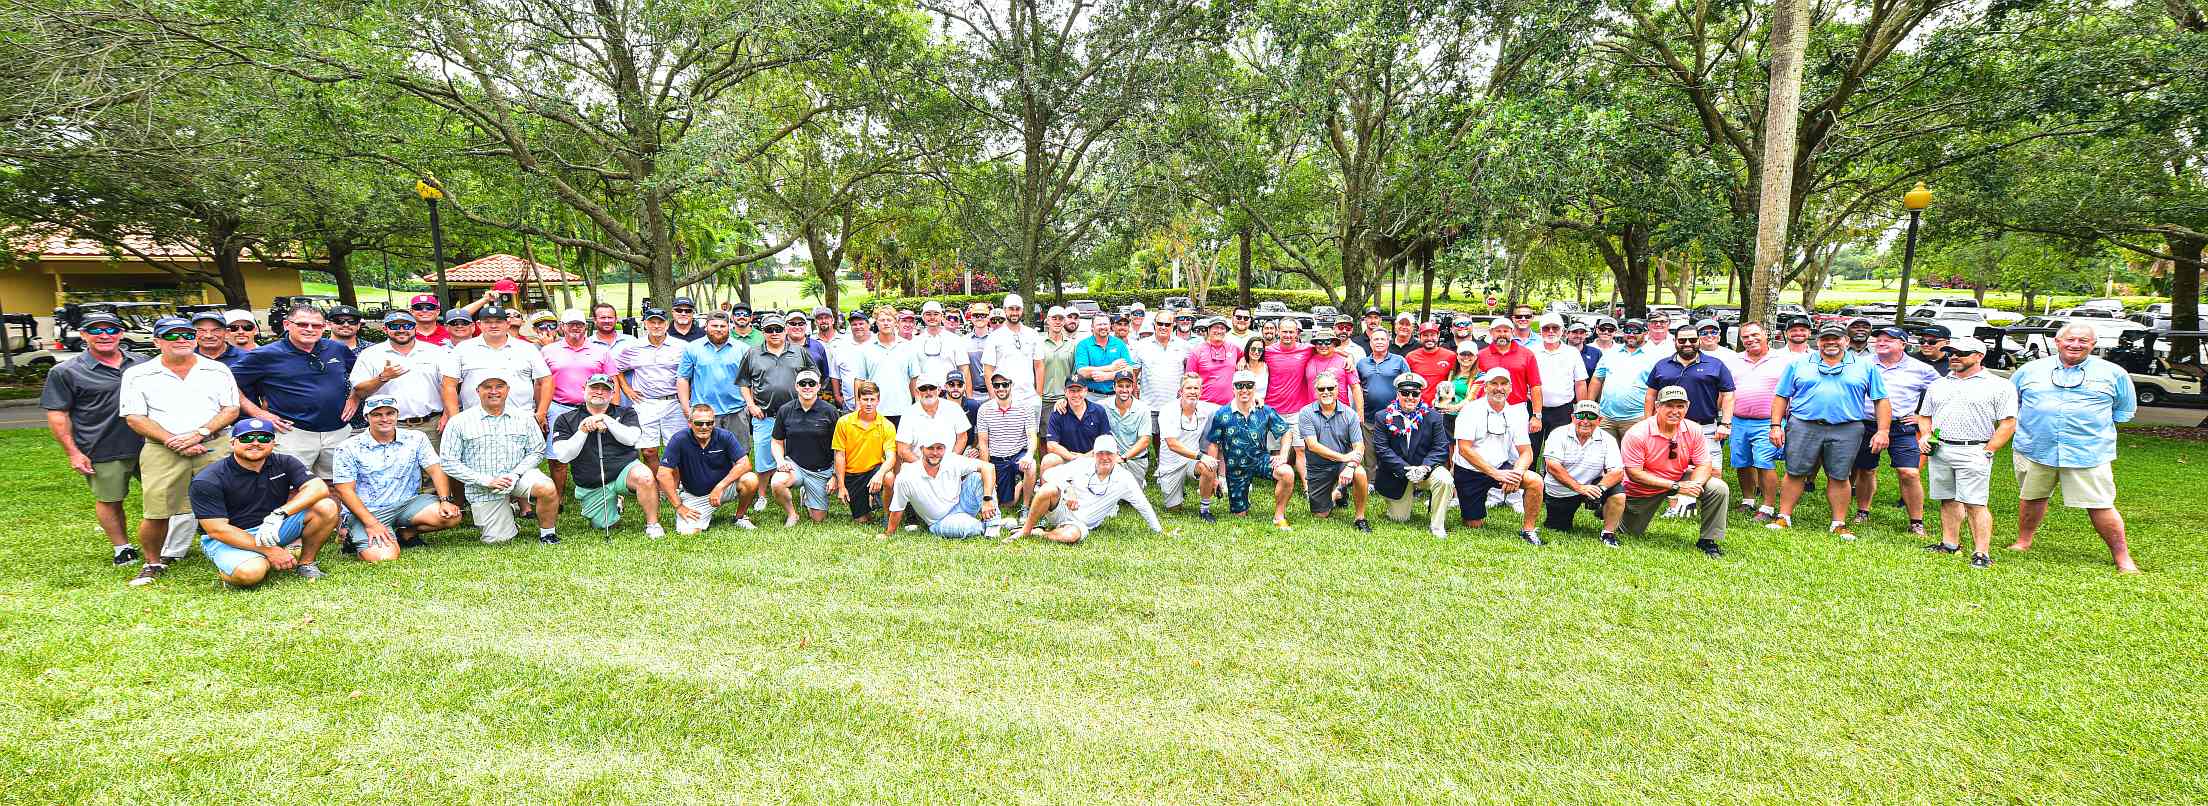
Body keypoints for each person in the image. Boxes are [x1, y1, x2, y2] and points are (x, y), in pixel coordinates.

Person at [2008, 322, 2139, 572]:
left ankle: (2123, 558)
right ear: (2058, 342)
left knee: (2100, 504)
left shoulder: (2114, 373)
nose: (2075, 345)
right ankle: (2023, 542)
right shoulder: (2030, 370)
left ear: (2093, 344)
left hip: (2088, 453)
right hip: (2035, 448)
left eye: (2083, 341)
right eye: (2070, 339)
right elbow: (2012, 402)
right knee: (2031, 497)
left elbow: (2122, 412)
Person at [119, 316, 240, 586]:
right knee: (157, 509)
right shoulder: (138, 374)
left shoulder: (217, 370)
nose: (181, 340)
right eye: (172, 335)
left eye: (187, 334)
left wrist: (200, 433)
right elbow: (134, 417)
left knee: (231, 502)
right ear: (157, 341)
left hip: (212, 444)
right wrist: (173, 440)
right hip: (163, 449)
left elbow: (231, 409)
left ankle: (238, 552)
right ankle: (153, 562)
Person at [42, 311, 149, 565]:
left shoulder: (142, 362)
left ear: (121, 334)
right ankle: (122, 548)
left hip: (149, 443)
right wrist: (73, 452)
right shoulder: (65, 371)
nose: (104, 335)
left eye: (111, 330)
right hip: (102, 447)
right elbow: (58, 414)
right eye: (96, 330)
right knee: (110, 499)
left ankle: (167, 544)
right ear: (83, 335)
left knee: (164, 496)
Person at [1767, 323, 1890, 538]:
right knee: (1794, 472)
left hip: (1847, 428)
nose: (1831, 342)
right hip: (1804, 424)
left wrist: (1883, 431)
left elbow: (1881, 400)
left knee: (1840, 476)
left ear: (1847, 341)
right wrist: (1776, 426)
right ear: (1818, 341)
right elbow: (1781, 396)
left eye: (1837, 338)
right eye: (1825, 338)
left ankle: (1838, 523)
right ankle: (1783, 516)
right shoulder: (1799, 364)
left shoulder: (1865, 367)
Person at [188, 417, 344, 587]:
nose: (255, 443)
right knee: (251, 573)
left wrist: (279, 514)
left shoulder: (284, 462)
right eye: (246, 438)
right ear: (232, 443)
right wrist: (270, 551)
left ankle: (306, 563)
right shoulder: (208, 479)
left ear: (273, 443)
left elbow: (319, 488)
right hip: (229, 536)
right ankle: (232, 568)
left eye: (263, 438)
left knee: (326, 506)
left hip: (272, 526)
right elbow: (217, 530)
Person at [1913, 336, 2016, 568]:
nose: (1955, 356)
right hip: (1941, 449)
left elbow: (2008, 423)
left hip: (1975, 450)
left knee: (1975, 503)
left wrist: (1988, 451)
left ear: (1979, 356)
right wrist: (1927, 436)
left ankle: (1982, 553)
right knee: (1947, 499)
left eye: (1962, 352)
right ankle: (1950, 544)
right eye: (1951, 352)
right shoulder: (1939, 384)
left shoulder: (1998, 385)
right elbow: (1925, 415)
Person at [231, 305, 357, 478]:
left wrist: (355, 398)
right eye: (302, 324)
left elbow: (360, 377)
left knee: (338, 485)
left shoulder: (337, 349)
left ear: (324, 326)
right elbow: (226, 383)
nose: (310, 329)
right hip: (292, 433)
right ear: (286, 324)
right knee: (292, 487)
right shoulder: (265, 355)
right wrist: (259, 413)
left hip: (338, 432)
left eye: (316, 325)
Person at [332, 395, 465, 560]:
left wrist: (445, 500)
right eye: (377, 415)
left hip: (406, 505)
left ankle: (404, 533)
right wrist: (372, 524)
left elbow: (435, 469)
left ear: (397, 415)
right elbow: (344, 492)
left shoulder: (416, 438)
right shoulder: (347, 448)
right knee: (384, 558)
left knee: (452, 515)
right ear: (366, 417)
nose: (385, 419)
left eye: (390, 413)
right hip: (368, 512)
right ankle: (353, 536)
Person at [441, 374, 563, 544]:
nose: (494, 391)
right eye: (487, 387)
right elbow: (448, 462)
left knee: (546, 487)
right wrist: (486, 480)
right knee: (498, 540)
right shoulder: (459, 422)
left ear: (507, 390)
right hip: (484, 487)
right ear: (477, 391)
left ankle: (547, 533)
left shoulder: (524, 417)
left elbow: (537, 450)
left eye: (499, 386)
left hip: (518, 477)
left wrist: (515, 474)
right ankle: (508, 517)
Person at [1618, 387, 1730, 557]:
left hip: (1678, 477)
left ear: (1688, 406)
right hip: (1641, 490)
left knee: (1718, 487)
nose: (1675, 411)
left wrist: (1693, 486)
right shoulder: (1638, 433)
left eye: (1680, 406)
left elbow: (1704, 464)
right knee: (1626, 533)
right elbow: (1634, 473)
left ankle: (1708, 540)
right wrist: (1677, 487)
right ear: (1657, 406)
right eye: (1668, 405)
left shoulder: (1693, 429)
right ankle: (1607, 508)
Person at [1850, 326, 1940, 534]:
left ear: (1903, 344)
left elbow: (1944, 394)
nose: (1881, 343)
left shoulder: (1921, 369)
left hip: (1902, 427)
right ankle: (1863, 511)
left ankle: (1916, 521)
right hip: (1867, 425)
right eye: (1879, 339)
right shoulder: (1861, 364)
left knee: (1909, 473)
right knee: (1866, 469)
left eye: (1888, 340)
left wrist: (1922, 417)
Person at [549, 375, 661, 537]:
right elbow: (564, 456)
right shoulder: (565, 419)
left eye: (605, 389)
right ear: (584, 389)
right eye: (594, 388)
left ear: (612, 393)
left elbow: (631, 438)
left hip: (624, 471)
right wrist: (583, 430)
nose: (599, 392)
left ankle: (653, 524)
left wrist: (606, 419)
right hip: (592, 481)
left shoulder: (626, 412)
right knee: (604, 525)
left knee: (644, 477)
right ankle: (614, 502)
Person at [1007, 435, 1166, 544]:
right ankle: (1026, 530)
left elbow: (1143, 505)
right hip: (1062, 510)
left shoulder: (1125, 478)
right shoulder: (1083, 464)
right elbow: (1048, 473)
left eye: (1109, 453)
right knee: (1048, 488)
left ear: (1117, 455)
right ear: (1094, 454)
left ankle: (1041, 532)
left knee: (1071, 536)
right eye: (1100, 453)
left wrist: (1159, 531)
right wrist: (1068, 489)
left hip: (1082, 524)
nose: (1104, 458)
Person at [1202, 370, 1296, 529]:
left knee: (1287, 472)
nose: (1244, 389)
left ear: (1255, 387)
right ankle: (1242, 501)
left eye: (1248, 385)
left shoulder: (1264, 410)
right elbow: (1213, 444)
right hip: (1236, 468)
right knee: (1239, 515)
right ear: (1233, 388)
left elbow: (1286, 431)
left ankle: (1279, 516)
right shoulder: (1222, 414)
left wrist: (1283, 455)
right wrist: (1215, 476)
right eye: (1239, 386)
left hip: (1260, 460)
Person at [1525, 400, 1626, 546]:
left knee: (1618, 494)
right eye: (1581, 416)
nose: (1585, 421)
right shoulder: (1558, 434)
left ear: (1599, 420)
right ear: (1573, 418)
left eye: (1591, 417)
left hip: (1593, 486)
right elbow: (1552, 466)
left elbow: (1617, 472)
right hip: (1563, 491)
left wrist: (1600, 488)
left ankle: (1608, 533)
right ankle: (1597, 509)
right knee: (1558, 527)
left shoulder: (1608, 439)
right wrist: (1579, 488)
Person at [440, 305, 553, 434]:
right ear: (479, 324)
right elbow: (448, 385)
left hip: (520, 421)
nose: (493, 326)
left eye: (498, 321)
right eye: (487, 322)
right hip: (475, 423)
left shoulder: (527, 349)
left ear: (507, 323)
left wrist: (541, 413)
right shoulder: (463, 349)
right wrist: (456, 419)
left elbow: (546, 381)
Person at [1719, 322, 1790, 521]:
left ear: (1765, 335)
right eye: (1746, 337)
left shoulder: (1782, 361)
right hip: (1739, 420)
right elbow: (1725, 390)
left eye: (1755, 335)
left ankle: (1767, 507)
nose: (1750, 340)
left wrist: (1781, 423)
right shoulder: (1734, 361)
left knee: (1764, 462)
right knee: (1742, 462)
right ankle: (1748, 500)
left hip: (1768, 422)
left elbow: (1790, 393)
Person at [1452, 368, 1533, 538]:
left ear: (1510, 387)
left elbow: (1527, 452)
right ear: (1485, 387)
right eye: (1494, 384)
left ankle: (1529, 530)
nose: (1499, 388)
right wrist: (1496, 474)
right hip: (1470, 470)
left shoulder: (1516, 413)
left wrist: (1517, 474)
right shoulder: (1470, 410)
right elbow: (1464, 449)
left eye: (1504, 384)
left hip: (1501, 467)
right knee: (1474, 524)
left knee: (1535, 481)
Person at [1370, 374, 1454, 538]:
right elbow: (1382, 449)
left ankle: (1437, 526)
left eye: (1415, 393)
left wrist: (1425, 467)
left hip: (1426, 470)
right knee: (1399, 519)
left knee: (1445, 480)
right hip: (1398, 473)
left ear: (1420, 395)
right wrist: (1405, 468)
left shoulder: (1433, 417)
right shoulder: (1382, 417)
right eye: (1405, 393)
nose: (1410, 397)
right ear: (1397, 394)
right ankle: (1402, 500)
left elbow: (1440, 448)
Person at [656, 404, 759, 533]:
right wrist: (679, 506)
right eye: (699, 423)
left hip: (723, 489)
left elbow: (745, 464)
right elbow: (662, 474)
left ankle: (739, 517)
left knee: (750, 479)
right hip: (696, 495)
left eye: (709, 423)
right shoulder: (679, 440)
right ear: (690, 423)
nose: (704, 427)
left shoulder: (725, 436)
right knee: (688, 533)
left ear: (713, 423)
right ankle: (696, 514)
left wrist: (720, 487)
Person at [351, 310, 449, 446]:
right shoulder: (370, 354)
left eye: (407, 326)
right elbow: (359, 391)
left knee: (434, 467)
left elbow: (448, 386)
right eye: (395, 326)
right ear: (385, 329)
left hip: (431, 425)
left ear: (415, 328)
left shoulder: (436, 352)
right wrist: (382, 378)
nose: (402, 330)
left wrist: (447, 414)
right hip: (389, 426)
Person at [737, 313, 816, 478]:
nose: (774, 333)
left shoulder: (800, 352)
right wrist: (751, 405)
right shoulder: (752, 353)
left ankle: (802, 486)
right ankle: (762, 495)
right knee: (763, 456)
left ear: (785, 330)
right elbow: (744, 382)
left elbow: (814, 377)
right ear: (763, 332)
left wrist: (808, 401)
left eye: (778, 329)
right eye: (769, 329)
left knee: (803, 453)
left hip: (797, 414)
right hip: (765, 415)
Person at [1641, 327, 1736, 464]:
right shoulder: (1662, 365)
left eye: (1692, 340)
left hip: (1705, 428)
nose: (1687, 343)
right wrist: (1648, 423)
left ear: (1698, 340)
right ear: (1675, 341)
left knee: (1712, 471)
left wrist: (1726, 424)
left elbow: (1728, 395)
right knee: (1669, 471)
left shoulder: (1716, 364)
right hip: (1668, 427)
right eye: (1682, 340)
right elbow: (1650, 396)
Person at [883, 433, 1002, 539]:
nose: (935, 453)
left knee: (977, 477)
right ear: (921, 449)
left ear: (944, 449)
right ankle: (989, 525)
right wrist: (889, 533)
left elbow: (988, 467)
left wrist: (987, 499)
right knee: (970, 528)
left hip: (961, 503)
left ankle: (993, 525)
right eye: (930, 448)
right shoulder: (907, 476)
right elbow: (897, 508)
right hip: (940, 521)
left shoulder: (951, 460)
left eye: (939, 448)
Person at [614, 307, 688, 468]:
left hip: (674, 402)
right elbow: (615, 368)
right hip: (645, 403)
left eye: (660, 322)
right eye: (652, 322)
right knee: (648, 450)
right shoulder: (633, 347)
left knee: (676, 448)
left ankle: (675, 485)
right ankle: (656, 486)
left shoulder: (681, 347)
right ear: (645, 324)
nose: (656, 326)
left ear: (667, 324)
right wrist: (627, 389)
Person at [770, 369, 843, 526]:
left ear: (818, 387)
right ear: (796, 386)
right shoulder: (785, 410)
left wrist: (835, 476)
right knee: (777, 483)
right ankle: (792, 514)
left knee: (818, 518)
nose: (807, 387)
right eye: (803, 383)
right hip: (794, 466)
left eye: (812, 383)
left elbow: (840, 448)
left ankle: (807, 493)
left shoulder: (830, 411)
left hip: (821, 470)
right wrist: (780, 460)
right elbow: (776, 441)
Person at [1299, 373, 1372, 531]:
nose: (1326, 392)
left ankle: (1360, 518)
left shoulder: (1349, 414)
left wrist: (1350, 466)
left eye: (1330, 388)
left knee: (1360, 473)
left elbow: (1359, 446)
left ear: (1338, 389)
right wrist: (1343, 457)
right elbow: (1312, 445)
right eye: (1321, 389)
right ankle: (1338, 492)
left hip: (1343, 465)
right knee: (1321, 514)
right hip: (1318, 467)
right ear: (1315, 391)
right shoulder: (1306, 413)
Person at [832, 380, 898, 523]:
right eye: (865, 399)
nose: (869, 403)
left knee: (889, 477)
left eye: (872, 399)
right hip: (853, 475)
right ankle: (871, 501)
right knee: (862, 520)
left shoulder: (887, 425)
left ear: (878, 400)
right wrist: (841, 486)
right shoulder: (844, 422)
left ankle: (887, 516)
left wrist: (880, 474)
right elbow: (840, 455)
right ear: (859, 399)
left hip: (874, 471)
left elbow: (891, 457)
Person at [676, 311, 750, 433]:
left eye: (723, 326)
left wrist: (748, 405)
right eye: (714, 326)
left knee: (739, 451)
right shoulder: (692, 348)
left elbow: (749, 380)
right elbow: (683, 378)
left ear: (729, 327)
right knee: (704, 451)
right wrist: (686, 408)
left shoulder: (743, 349)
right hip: (703, 413)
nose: (719, 329)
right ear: (706, 326)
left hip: (736, 411)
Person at [975, 370, 1040, 510]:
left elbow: (1032, 436)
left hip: (1018, 455)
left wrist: (1029, 455)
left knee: (1032, 465)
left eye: (1005, 384)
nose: (1001, 388)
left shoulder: (1025, 407)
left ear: (1011, 385)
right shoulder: (984, 410)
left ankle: (1026, 507)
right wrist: (986, 469)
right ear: (992, 387)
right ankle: (1020, 484)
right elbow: (983, 443)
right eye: (996, 385)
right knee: (1006, 505)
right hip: (997, 458)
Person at [1154, 375, 1218, 512]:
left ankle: (1205, 510)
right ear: (1180, 391)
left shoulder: (1205, 409)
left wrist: (1255, 398)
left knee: (1209, 466)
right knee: (1174, 509)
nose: (1193, 391)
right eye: (1188, 388)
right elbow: (1172, 444)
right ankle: (1176, 491)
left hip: (1192, 462)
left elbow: (1230, 407)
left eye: (1196, 388)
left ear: (1201, 391)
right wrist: (1201, 456)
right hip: (1171, 465)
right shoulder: (1167, 410)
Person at [1529, 314, 1588, 457]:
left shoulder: (1572, 353)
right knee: (1531, 451)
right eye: (1546, 328)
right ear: (1540, 331)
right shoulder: (1531, 352)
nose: (1550, 332)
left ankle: (1551, 479)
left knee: (1558, 453)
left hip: (1562, 411)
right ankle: (1531, 479)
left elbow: (1580, 383)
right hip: (1534, 410)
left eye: (1555, 328)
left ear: (1562, 331)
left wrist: (1582, 410)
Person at [1588, 319, 1657, 439]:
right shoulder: (1611, 353)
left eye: (1636, 331)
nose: (1631, 334)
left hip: (1636, 419)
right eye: (1627, 330)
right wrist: (1590, 407)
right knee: (1605, 455)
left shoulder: (1654, 356)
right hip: (1606, 418)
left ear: (1646, 333)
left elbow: (1658, 388)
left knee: (1632, 456)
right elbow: (1597, 379)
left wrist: (1650, 418)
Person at [982, 293, 1045, 410]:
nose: (1015, 313)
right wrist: (993, 398)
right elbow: (988, 370)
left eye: (1018, 309)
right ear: (1005, 310)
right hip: (1003, 399)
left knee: (1032, 429)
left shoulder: (1032, 334)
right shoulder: (994, 337)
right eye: (1011, 309)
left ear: (1022, 310)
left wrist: (1038, 396)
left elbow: (1039, 366)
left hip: (1030, 399)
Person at [899, 369, 974, 462]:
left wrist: (950, 461)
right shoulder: (908, 414)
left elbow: (962, 438)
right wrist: (924, 467)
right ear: (917, 392)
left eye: (932, 388)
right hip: (917, 466)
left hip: (949, 464)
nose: (928, 392)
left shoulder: (954, 408)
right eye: (923, 388)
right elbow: (902, 450)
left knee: (981, 472)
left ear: (939, 390)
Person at [1041, 375, 1110, 473]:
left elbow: (1106, 441)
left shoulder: (1098, 411)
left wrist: (1085, 457)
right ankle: (1045, 487)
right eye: (1072, 391)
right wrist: (1073, 458)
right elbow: (1051, 445)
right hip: (1067, 459)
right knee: (1048, 460)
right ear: (1065, 392)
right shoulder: (1058, 413)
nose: (1076, 395)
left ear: (1086, 391)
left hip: (1092, 458)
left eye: (1079, 390)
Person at [864, 306, 915, 424]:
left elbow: (914, 378)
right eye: (882, 320)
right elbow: (859, 380)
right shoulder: (866, 348)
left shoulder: (908, 347)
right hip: (875, 411)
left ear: (896, 322)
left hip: (903, 410)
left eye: (889, 320)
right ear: (876, 322)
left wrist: (916, 405)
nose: (886, 323)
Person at [1133, 312, 1192, 415]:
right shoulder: (1141, 346)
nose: (1163, 327)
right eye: (1160, 323)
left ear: (1173, 325)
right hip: (1148, 407)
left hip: (1176, 407)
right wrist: (1135, 395)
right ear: (1155, 324)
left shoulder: (1185, 346)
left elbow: (1190, 374)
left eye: (1167, 324)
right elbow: (1134, 373)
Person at [1100, 372, 1153, 479]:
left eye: (1128, 386)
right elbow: (1081, 403)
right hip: (1110, 459)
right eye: (1120, 386)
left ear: (1133, 387)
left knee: (1130, 494)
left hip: (1135, 460)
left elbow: (1145, 440)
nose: (1124, 390)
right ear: (1114, 387)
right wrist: (1063, 401)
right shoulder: (1103, 405)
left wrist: (1123, 458)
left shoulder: (1143, 408)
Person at [1262, 318, 1317, 417]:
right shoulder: (1267, 351)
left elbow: (1328, 349)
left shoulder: (1307, 350)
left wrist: (1349, 357)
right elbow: (1249, 355)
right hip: (1271, 410)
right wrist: (1243, 359)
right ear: (1278, 332)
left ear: (1297, 333)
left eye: (1291, 332)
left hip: (1298, 412)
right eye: (1284, 332)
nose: (1288, 335)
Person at [1073, 315, 1133, 404]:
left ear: (1110, 326)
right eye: (1099, 324)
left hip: (1116, 396)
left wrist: (1107, 376)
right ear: (1092, 327)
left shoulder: (1119, 344)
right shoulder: (1083, 345)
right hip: (1091, 397)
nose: (1103, 327)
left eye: (1105, 324)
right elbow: (1082, 371)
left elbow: (1129, 370)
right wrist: (1111, 367)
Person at [1355, 327, 1411, 421]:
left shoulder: (1399, 361)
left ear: (1388, 342)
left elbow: (1408, 385)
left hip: (1395, 416)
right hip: (1368, 418)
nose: (1379, 342)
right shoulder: (1361, 363)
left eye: (1383, 339)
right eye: (1376, 339)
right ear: (1370, 342)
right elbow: (1357, 388)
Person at [1303, 330, 1359, 421]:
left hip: (1340, 414)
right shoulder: (1308, 359)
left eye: (1327, 342)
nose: (1323, 346)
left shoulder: (1345, 362)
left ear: (1334, 344)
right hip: (1314, 413)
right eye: (1319, 343)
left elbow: (1356, 388)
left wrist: (1359, 416)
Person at [1186, 317, 1242, 405]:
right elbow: (1189, 380)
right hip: (1203, 405)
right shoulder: (1197, 351)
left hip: (1229, 406)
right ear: (1208, 329)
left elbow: (1246, 356)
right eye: (1215, 327)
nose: (1219, 331)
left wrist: (1242, 360)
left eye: (1222, 328)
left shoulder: (1233, 348)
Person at [1038, 306, 1081, 412]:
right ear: (1047, 321)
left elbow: (1074, 373)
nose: (1057, 322)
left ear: (1064, 321)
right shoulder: (1038, 343)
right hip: (1042, 400)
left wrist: (1068, 397)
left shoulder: (1072, 345)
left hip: (1064, 400)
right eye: (1054, 318)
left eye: (1061, 319)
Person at [1402, 322, 1456, 404]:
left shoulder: (1450, 356)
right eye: (1425, 335)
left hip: (1442, 405)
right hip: (1417, 406)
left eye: (1432, 335)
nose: (1429, 338)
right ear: (1420, 337)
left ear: (1438, 336)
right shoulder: (1411, 357)